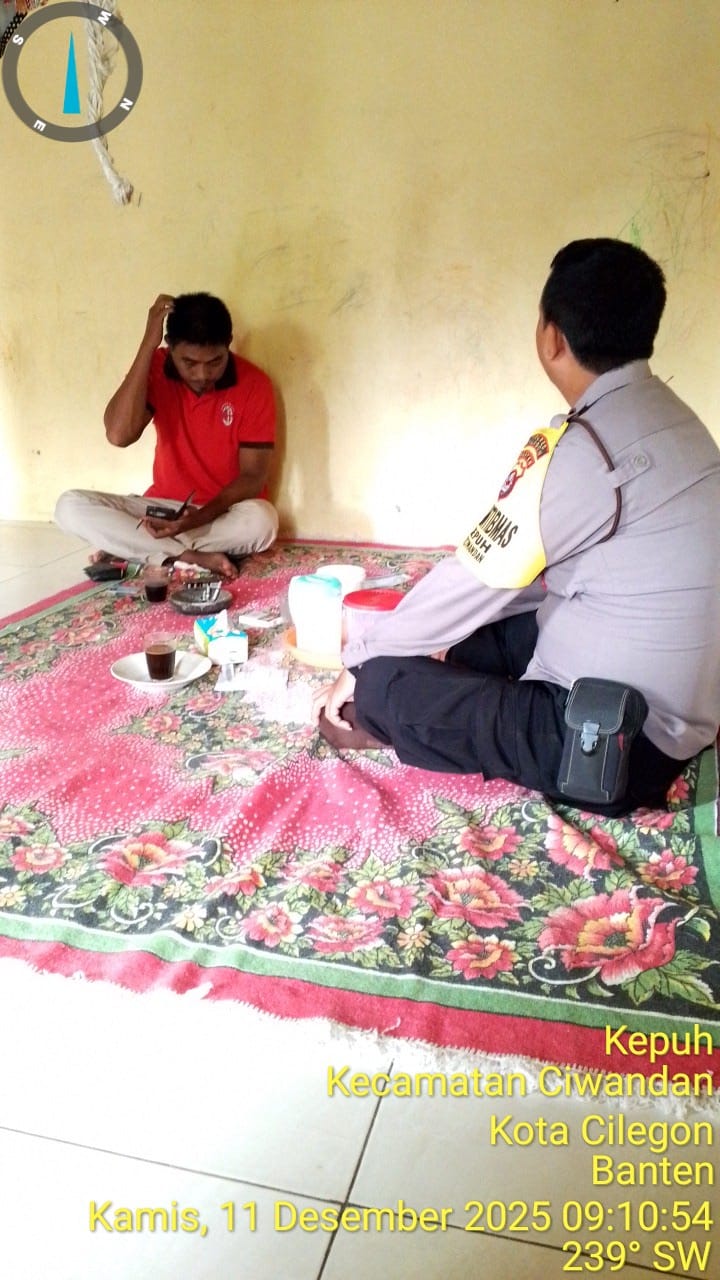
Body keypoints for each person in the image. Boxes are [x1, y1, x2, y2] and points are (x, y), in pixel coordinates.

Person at [312, 238, 720, 814]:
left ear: (551, 337)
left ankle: (387, 711)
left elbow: (479, 576)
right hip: (675, 703)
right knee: (459, 637)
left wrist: (360, 661)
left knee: (381, 685)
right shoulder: (678, 421)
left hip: (611, 746)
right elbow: (520, 573)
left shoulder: (586, 453)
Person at [55, 292, 278, 578]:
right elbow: (119, 435)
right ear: (169, 347)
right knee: (68, 507)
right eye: (189, 363)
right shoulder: (157, 367)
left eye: (214, 362)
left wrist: (197, 518)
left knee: (263, 521)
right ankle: (185, 556)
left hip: (219, 513)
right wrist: (148, 344)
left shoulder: (254, 383)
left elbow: (253, 476)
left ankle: (136, 547)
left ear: (228, 343)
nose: (202, 375)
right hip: (160, 509)